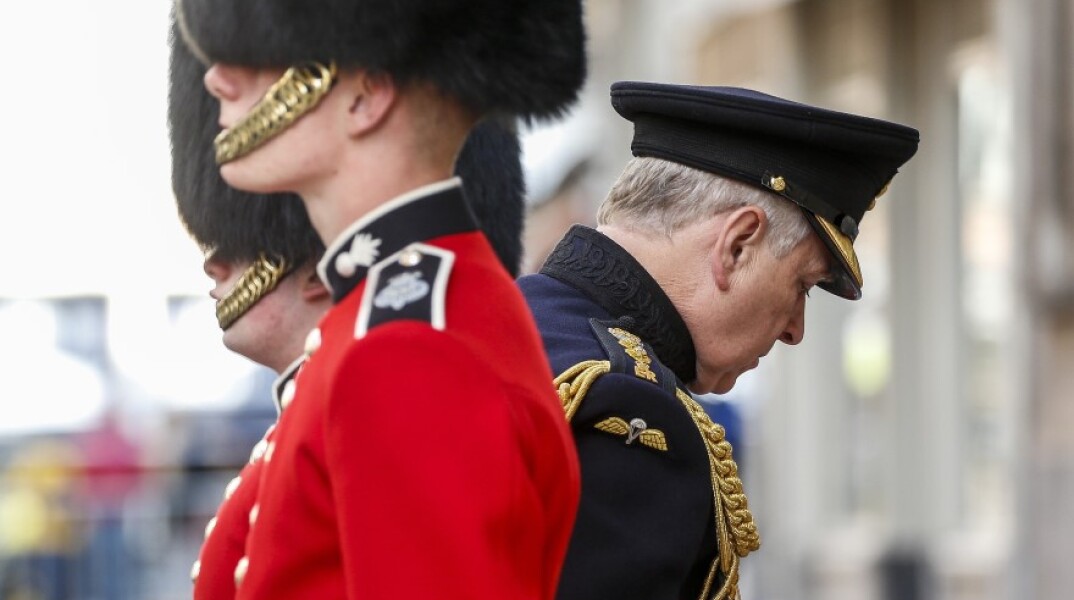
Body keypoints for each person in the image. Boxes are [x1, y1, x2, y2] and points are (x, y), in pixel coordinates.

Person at [168, 0, 586, 598]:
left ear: (365, 93)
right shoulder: (400, 321)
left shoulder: (407, 350)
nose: (217, 76)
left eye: (266, 56)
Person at [519, 82, 920, 600]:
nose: (796, 329)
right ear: (736, 246)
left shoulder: (505, 323)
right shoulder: (630, 406)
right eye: (802, 285)